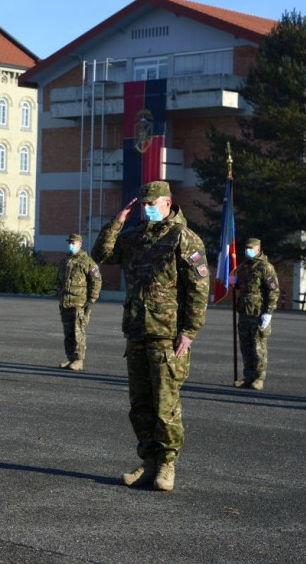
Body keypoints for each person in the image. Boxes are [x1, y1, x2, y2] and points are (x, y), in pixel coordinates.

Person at [92, 181, 209, 492]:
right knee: (140, 404)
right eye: (143, 204)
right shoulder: (134, 237)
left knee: (165, 405)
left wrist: (189, 331)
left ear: (168, 204)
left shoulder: (183, 238)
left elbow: (199, 288)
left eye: (152, 203)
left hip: (167, 335)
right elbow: (100, 254)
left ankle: (167, 465)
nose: (147, 209)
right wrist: (118, 221)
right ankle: (149, 463)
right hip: (137, 331)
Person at [233, 237, 279, 390]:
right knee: (245, 346)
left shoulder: (265, 267)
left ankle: (259, 378)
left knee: (258, 347)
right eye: (246, 248)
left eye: (251, 248)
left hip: (258, 313)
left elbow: (273, 291)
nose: (248, 250)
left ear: (259, 249)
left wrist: (269, 313)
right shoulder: (245, 266)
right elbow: (242, 286)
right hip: (244, 312)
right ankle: (248, 376)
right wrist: (234, 281)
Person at [56, 233, 101, 371]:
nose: (71, 245)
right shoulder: (66, 261)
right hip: (65, 302)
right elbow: (59, 280)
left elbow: (96, 280)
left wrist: (91, 300)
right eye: (70, 242)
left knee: (78, 332)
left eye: (73, 243)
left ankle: (79, 360)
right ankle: (70, 358)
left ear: (80, 244)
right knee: (68, 333)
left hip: (79, 303)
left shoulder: (87, 262)